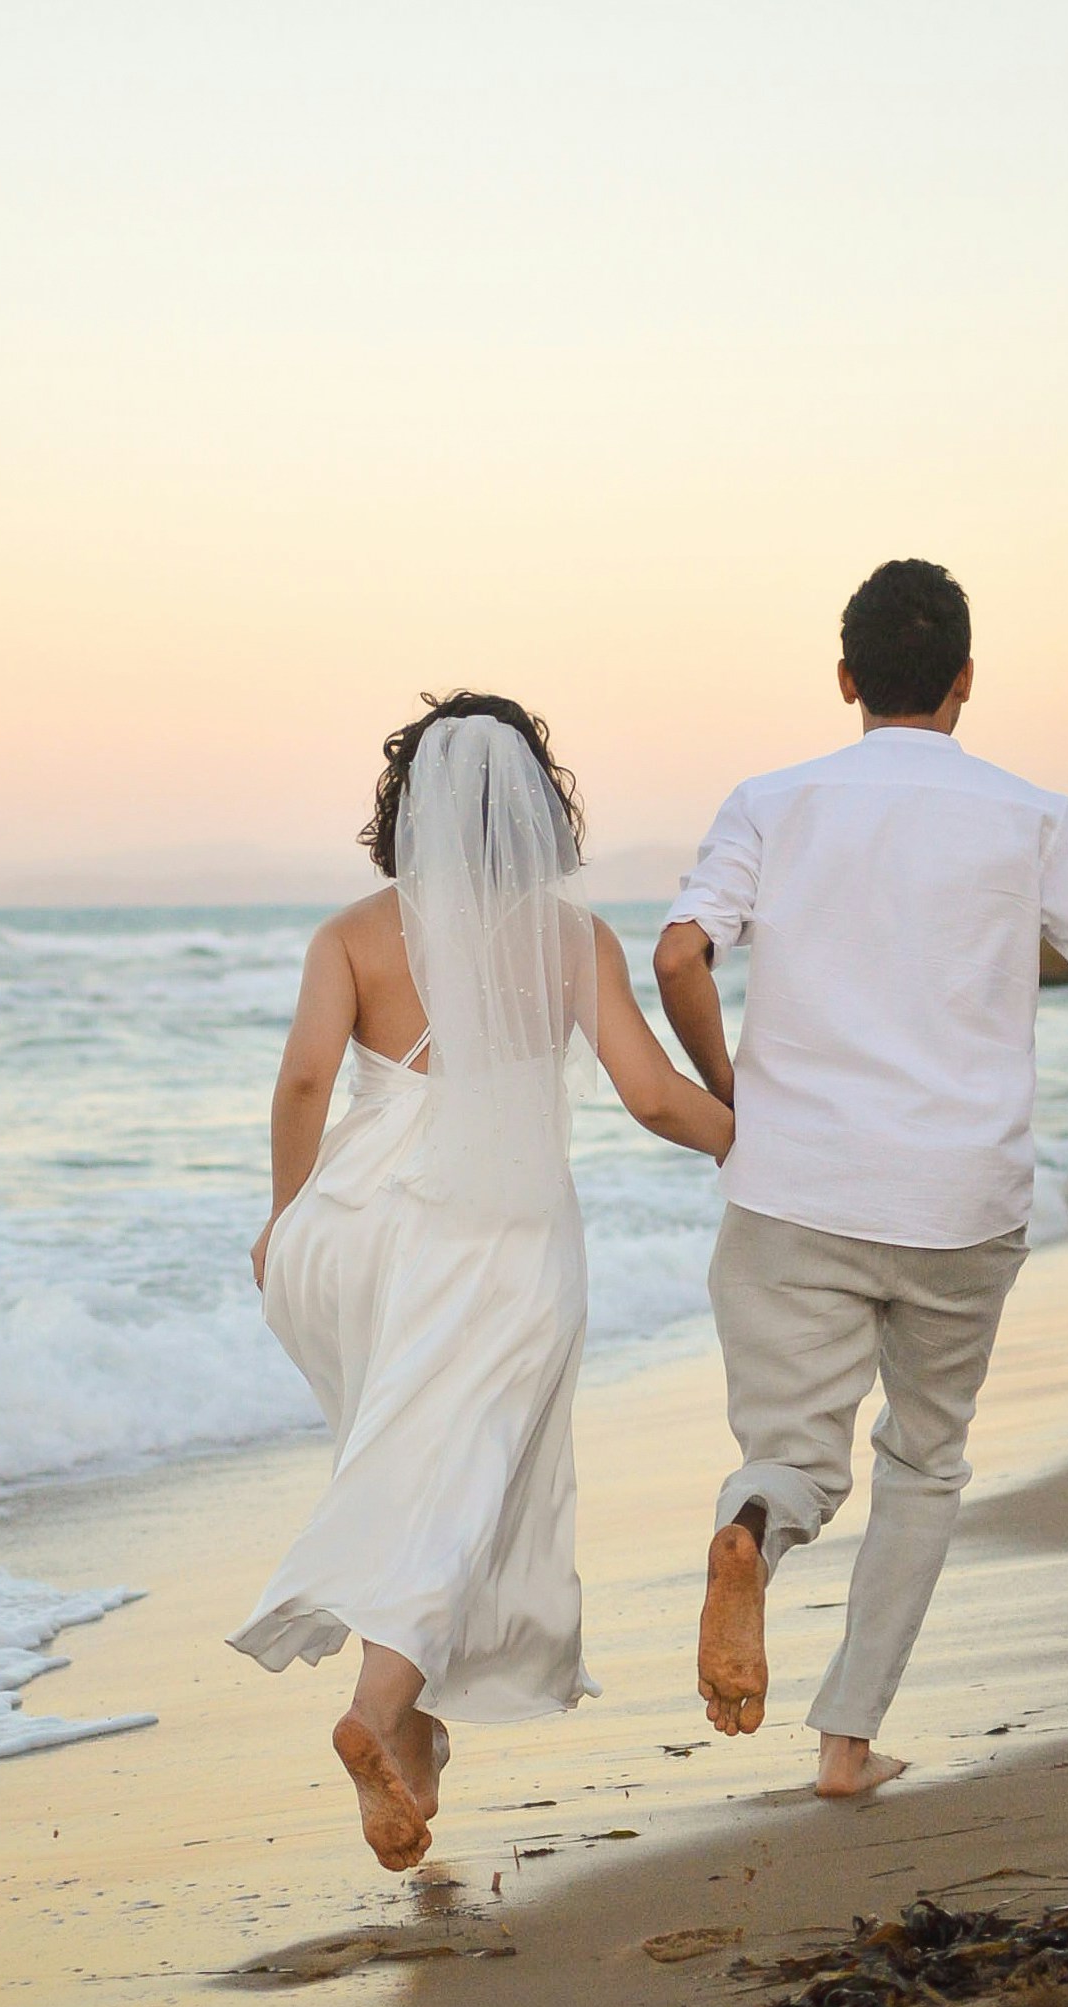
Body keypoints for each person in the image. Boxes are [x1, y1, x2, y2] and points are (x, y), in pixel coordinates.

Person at [654, 559, 1068, 1802]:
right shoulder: (1028, 814)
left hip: (792, 1189)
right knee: (924, 1459)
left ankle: (755, 1528)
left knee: (798, 1453)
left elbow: (679, 953)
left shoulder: (772, 802)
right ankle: (847, 1742)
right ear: (965, 682)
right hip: (959, 1201)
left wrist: (734, 1098)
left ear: (845, 680)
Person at [231, 692, 733, 1871]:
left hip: (359, 1231)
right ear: (534, 809)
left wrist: (282, 1215)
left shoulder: (352, 933)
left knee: (412, 1464)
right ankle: (373, 1707)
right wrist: (748, 1139)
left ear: (407, 805)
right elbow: (653, 1094)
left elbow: (305, 1083)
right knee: (464, 1476)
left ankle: (415, 1733)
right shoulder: (572, 940)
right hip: (501, 1235)